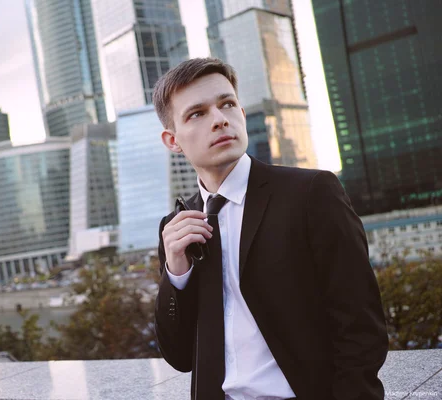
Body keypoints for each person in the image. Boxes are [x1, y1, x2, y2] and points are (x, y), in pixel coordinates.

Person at [152, 58, 389, 400]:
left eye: (227, 104)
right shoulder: (177, 226)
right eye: (197, 114)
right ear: (172, 140)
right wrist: (176, 274)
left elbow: (361, 325)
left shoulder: (311, 193)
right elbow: (179, 356)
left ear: (242, 116)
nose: (219, 119)